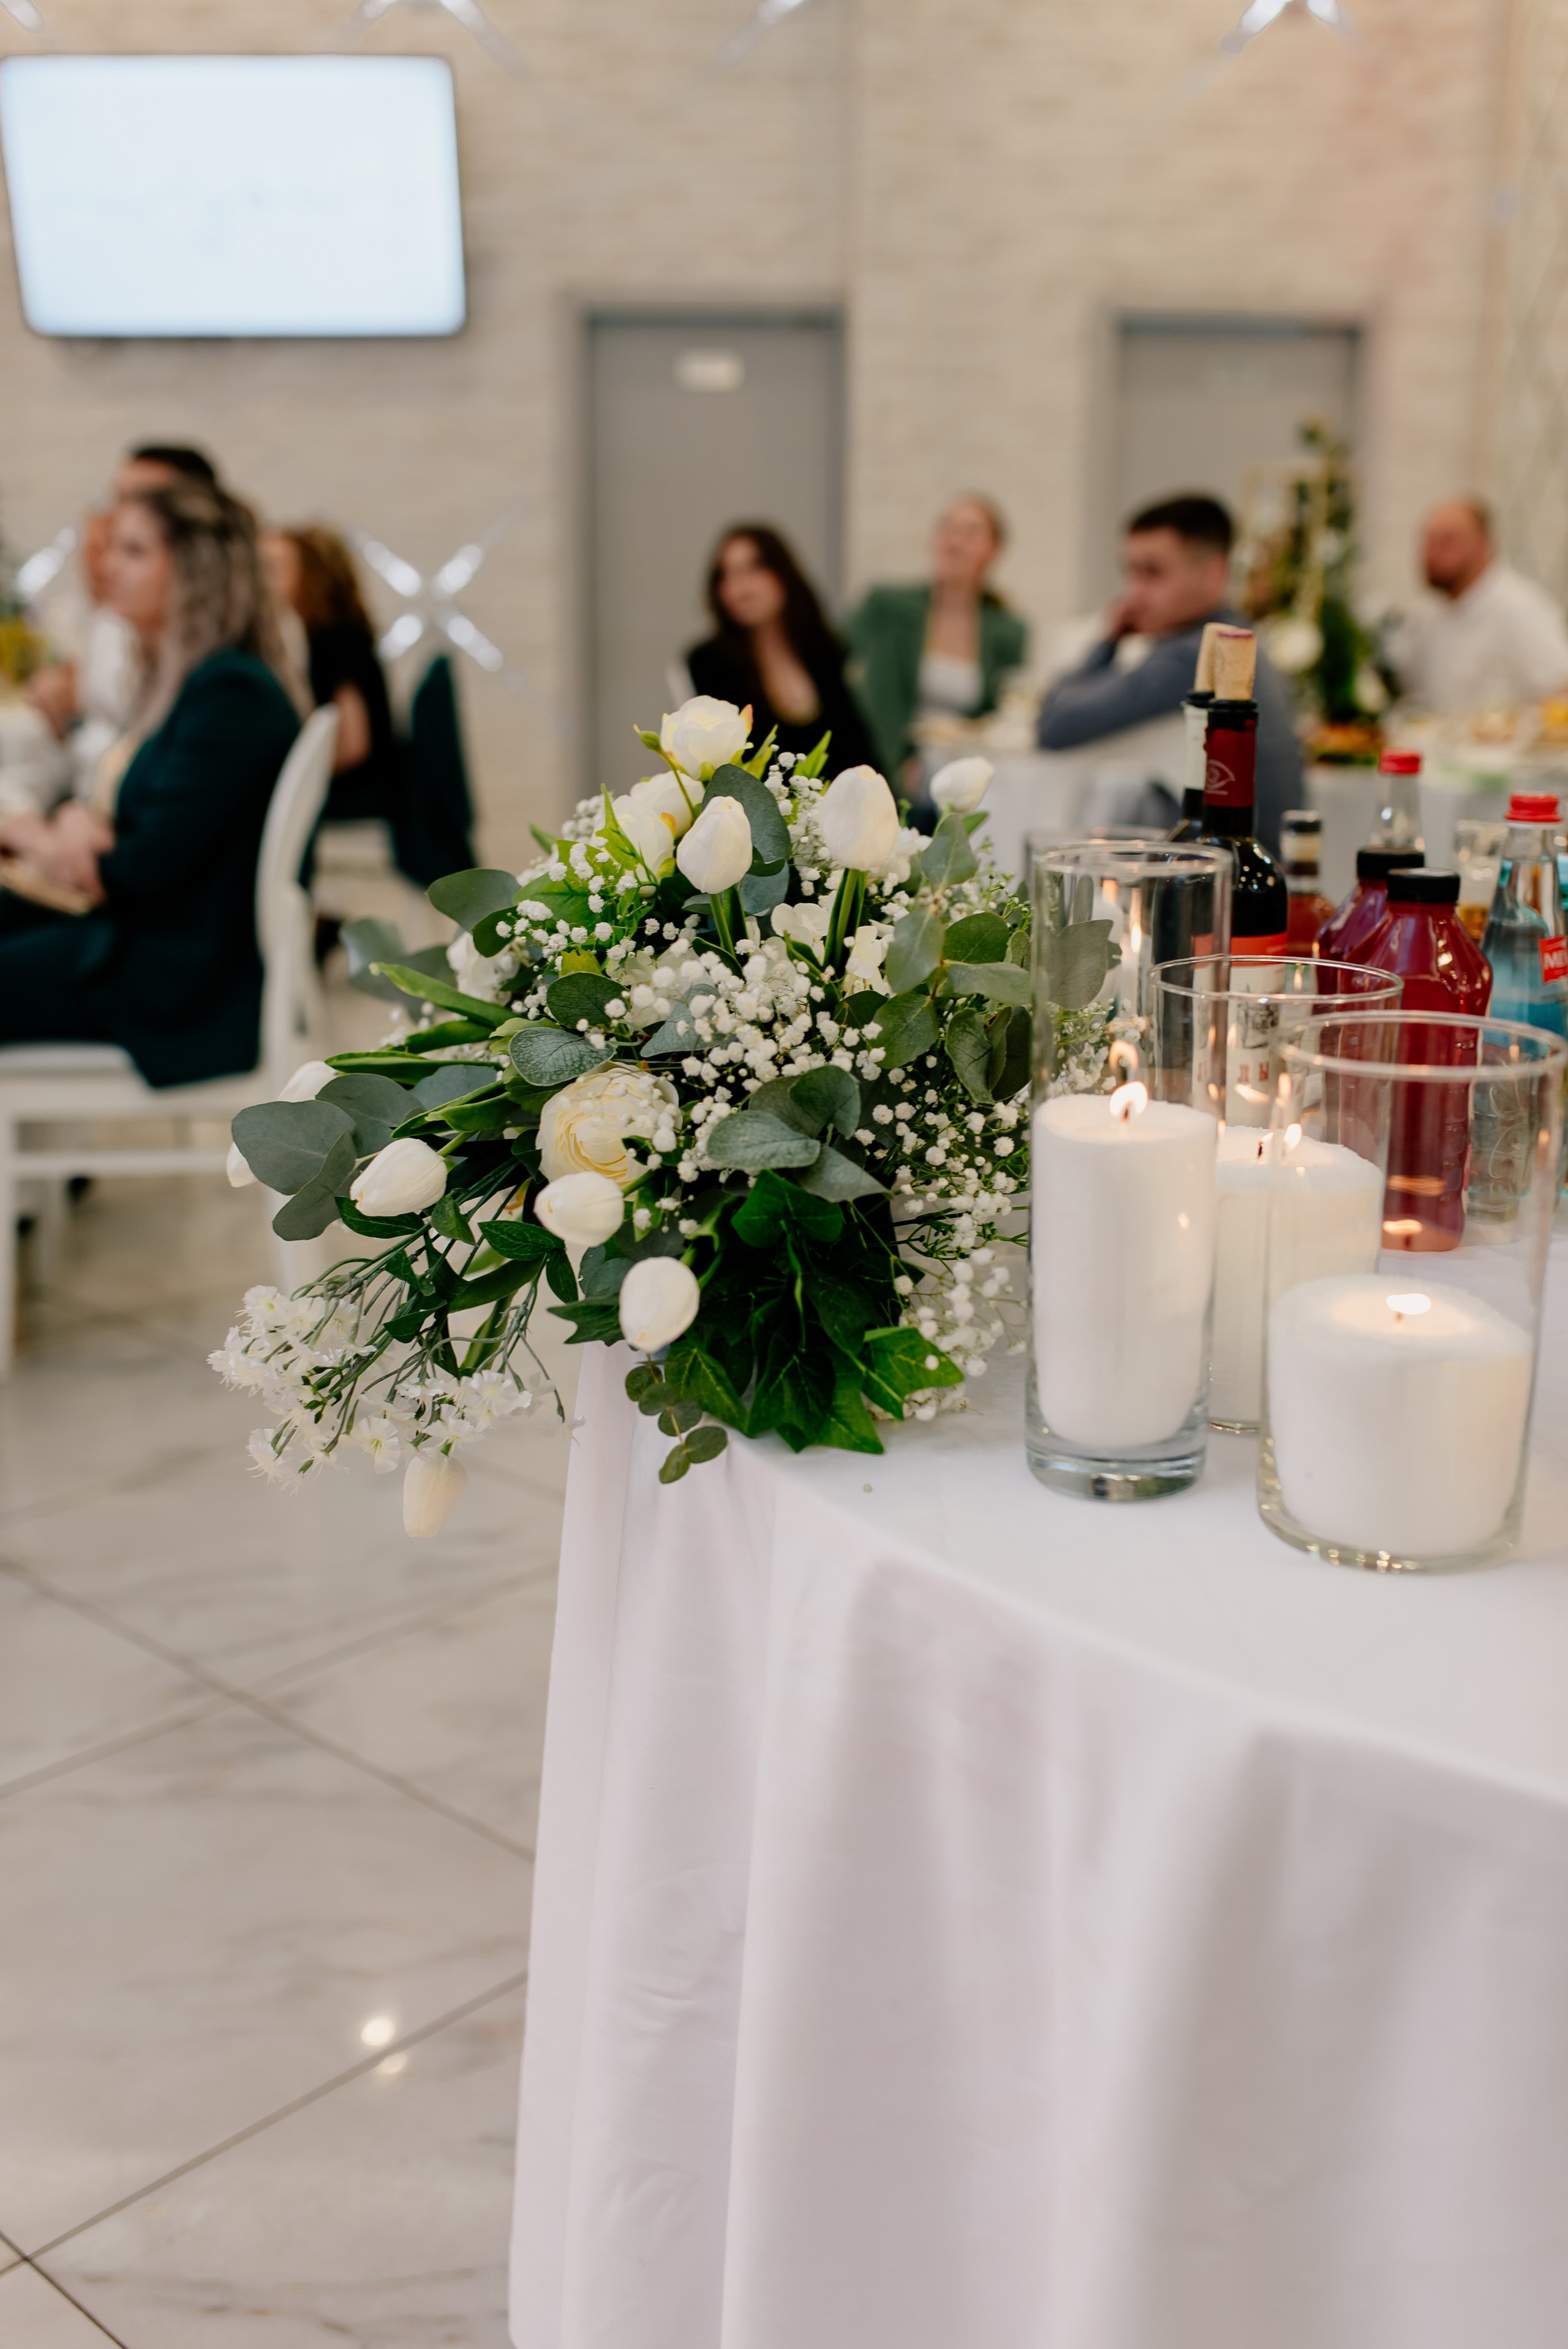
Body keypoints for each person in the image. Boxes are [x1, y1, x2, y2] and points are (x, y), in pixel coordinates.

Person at [0, 480, 301, 1086]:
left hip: (171, 981)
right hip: (153, 945)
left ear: (193, 571)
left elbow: (138, 873)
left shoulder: (231, 693)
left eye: (133, 551)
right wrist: (76, 825)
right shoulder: (205, 682)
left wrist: (42, 835)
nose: (108, 566)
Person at [1038, 492, 1302, 855]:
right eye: (1131, 573)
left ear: (1214, 574)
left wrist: (1108, 642)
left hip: (1233, 869)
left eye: (1153, 573)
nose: (1134, 594)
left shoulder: (1196, 655)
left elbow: (1055, 724)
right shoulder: (1232, 640)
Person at [27, 443, 226, 771]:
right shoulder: (121, 621)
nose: (116, 515)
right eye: (116, 498)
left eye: (138, 500)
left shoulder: (219, 671)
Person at [846, 494, 1028, 789]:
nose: (955, 541)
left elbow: (1005, 716)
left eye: (970, 532)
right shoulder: (888, 607)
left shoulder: (1008, 631)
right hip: (886, 764)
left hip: (963, 775)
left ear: (994, 551)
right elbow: (828, 657)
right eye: (947, 528)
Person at [685, 526, 876, 772]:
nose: (739, 588)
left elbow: (859, 751)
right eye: (726, 575)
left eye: (753, 569)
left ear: (783, 572)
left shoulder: (824, 653)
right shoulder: (710, 664)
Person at [262, 526, 398, 820]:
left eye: (273, 567)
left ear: (310, 576)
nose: (260, 580)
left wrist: (289, 779)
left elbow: (353, 745)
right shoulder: (328, 635)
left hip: (359, 792)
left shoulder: (334, 641)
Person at [1395, 497, 1568, 713]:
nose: (1432, 554)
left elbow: (1560, 689)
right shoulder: (1428, 616)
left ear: (1484, 545)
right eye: (1429, 542)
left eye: (1447, 542)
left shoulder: (1520, 608)